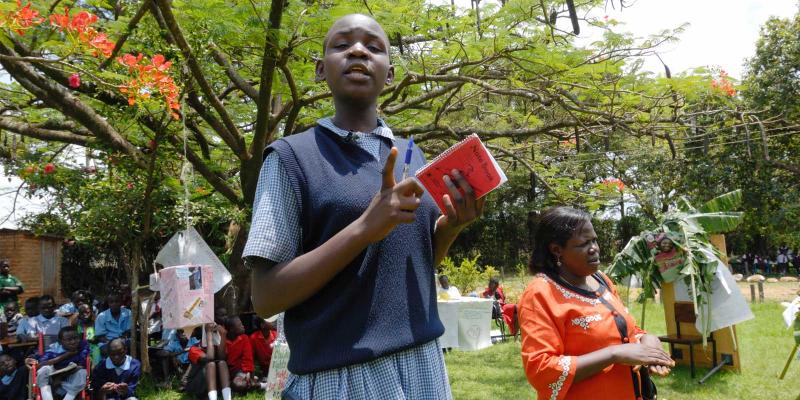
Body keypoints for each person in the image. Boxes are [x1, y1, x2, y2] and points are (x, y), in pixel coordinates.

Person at [244, 13, 484, 399]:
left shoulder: (411, 154)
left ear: (389, 74)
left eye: (374, 47)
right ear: (321, 70)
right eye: (342, 45)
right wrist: (363, 229)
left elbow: (414, 263)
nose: (358, 51)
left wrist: (451, 228)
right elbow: (267, 297)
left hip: (423, 363)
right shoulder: (291, 158)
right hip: (341, 375)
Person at [519, 207, 674, 400]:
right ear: (557, 250)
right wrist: (613, 354)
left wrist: (647, 341)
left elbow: (624, 332)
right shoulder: (540, 294)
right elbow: (540, 370)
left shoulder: (600, 279)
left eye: (594, 240)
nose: (594, 248)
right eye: (584, 243)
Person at [26, 326, 89, 400]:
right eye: (69, 340)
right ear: (60, 342)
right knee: (44, 370)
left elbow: (81, 365)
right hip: (53, 377)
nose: (73, 342)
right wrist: (66, 355)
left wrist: (61, 376)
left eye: (76, 338)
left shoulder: (82, 346)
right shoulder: (53, 350)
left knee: (82, 372)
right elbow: (40, 365)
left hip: (71, 380)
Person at [182, 324, 233, 400]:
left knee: (222, 363)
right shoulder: (194, 349)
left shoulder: (217, 347)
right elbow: (210, 358)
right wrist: (209, 334)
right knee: (211, 364)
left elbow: (222, 357)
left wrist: (223, 335)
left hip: (211, 383)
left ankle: (227, 398)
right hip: (196, 384)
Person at [222, 316, 260, 392]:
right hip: (226, 373)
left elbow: (248, 357)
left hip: (240, 371)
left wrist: (248, 371)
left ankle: (256, 383)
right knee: (239, 385)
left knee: (240, 385)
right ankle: (254, 383)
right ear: (232, 329)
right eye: (239, 325)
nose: (243, 326)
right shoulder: (223, 341)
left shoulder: (244, 338)